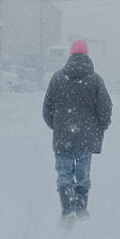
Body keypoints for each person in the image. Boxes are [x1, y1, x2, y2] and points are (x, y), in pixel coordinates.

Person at [41, 39, 112, 222]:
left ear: (70, 55)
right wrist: (100, 127)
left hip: (63, 137)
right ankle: (81, 208)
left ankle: (67, 208)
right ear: (87, 55)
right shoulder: (95, 80)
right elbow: (105, 108)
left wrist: (56, 126)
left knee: (64, 174)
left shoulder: (57, 78)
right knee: (82, 175)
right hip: (86, 137)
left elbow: (47, 108)